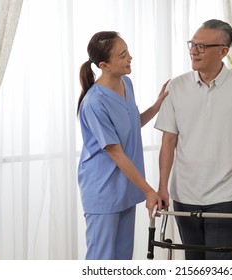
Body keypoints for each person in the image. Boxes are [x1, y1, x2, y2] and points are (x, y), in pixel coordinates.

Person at [154, 19, 232, 260]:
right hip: (184, 195)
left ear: (223, 51)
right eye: (192, 44)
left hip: (226, 196)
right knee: (193, 265)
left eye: (202, 46)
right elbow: (168, 142)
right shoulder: (176, 87)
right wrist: (162, 187)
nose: (194, 51)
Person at [77, 31, 168, 260]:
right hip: (104, 190)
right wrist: (149, 190)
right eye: (123, 54)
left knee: (122, 259)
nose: (130, 57)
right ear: (104, 65)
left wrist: (156, 107)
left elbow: (131, 124)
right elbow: (115, 152)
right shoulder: (94, 102)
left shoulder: (126, 83)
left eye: (127, 51)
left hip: (126, 188)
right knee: (102, 260)